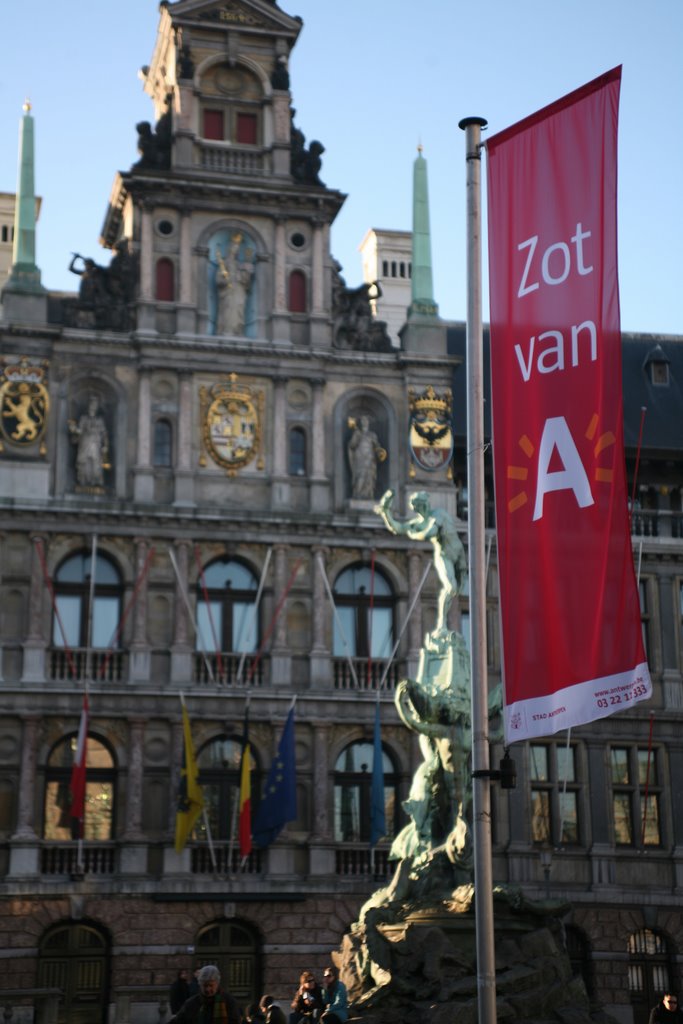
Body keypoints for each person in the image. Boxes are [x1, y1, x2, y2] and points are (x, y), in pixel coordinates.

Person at [374, 488, 467, 635]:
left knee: (461, 591)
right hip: (444, 556)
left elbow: (430, 532)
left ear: (424, 505)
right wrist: (386, 513)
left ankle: (449, 627)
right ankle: (442, 625)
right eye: (416, 508)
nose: (418, 510)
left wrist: (414, 535)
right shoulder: (419, 522)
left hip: (459, 554)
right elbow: (398, 528)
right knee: (451, 588)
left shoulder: (439, 514)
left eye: (418, 506)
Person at [169, 963, 241, 1023]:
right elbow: (177, 1021)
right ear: (200, 984)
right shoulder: (191, 1003)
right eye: (204, 986)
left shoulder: (229, 1001)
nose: (207, 989)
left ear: (217, 984)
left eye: (211, 985)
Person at [68, 395, 110, 488]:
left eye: (95, 404)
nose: (93, 406)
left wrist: (106, 445)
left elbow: (104, 434)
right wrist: (74, 429)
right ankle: (83, 481)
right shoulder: (84, 418)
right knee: (83, 462)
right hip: (85, 443)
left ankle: (96, 482)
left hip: (96, 443)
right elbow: (79, 431)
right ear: (89, 405)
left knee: (96, 463)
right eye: (91, 404)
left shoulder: (100, 420)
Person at [347, 415, 386, 500]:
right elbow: (352, 446)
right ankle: (357, 493)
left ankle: (368, 494)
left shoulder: (372, 435)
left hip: (370, 457)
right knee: (360, 474)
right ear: (360, 423)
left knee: (369, 475)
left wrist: (379, 452)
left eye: (366, 421)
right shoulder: (357, 433)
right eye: (362, 421)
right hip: (360, 456)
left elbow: (377, 447)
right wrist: (357, 437)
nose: (364, 422)